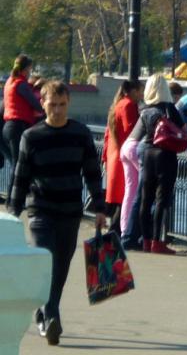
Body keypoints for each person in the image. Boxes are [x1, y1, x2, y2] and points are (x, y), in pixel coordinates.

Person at [8, 81, 106, 346]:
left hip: (70, 211)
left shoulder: (80, 133)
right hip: (41, 210)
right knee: (46, 262)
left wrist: (99, 207)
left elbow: (92, 172)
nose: (58, 110)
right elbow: (21, 176)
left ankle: (45, 311)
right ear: (43, 103)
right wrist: (13, 213)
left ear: (69, 103)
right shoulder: (32, 136)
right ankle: (52, 314)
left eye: (62, 105)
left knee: (60, 268)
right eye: (53, 105)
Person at [127, 73, 186, 254]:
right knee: (162, 199)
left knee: (146, 198)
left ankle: (144, 240)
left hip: (147, 153)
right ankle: (156, 241)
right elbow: (183, 131)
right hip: (165, 154)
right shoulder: (170, 109)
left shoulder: (144, 109)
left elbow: (141, 133)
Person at [101, 80, 141, 235]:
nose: (141, 95)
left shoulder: (116, 105)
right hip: (124, 155)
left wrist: (105, 157)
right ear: (132, 91)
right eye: (139, 91)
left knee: (119, 197)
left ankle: (115, 231)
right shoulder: (128, 105)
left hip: (114, 155)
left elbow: (107, 134)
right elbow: (131, 129)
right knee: (125, 196)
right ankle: (118, 232)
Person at [2, 54, 45, 171]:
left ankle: (17, 189)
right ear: (26, 69)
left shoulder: (10, 81)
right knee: (18, 166)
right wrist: (46, 109)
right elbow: (35, 104)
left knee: (16, 164)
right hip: (17, 127)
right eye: (30, 69)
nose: (30, 73)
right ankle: (15, 189)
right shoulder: (21, 84)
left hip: (8, 126)